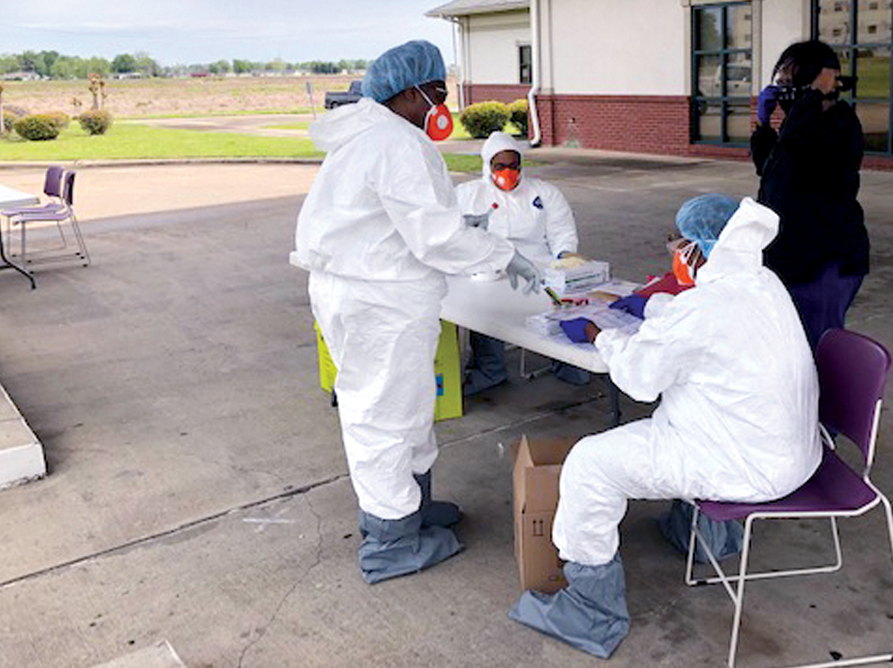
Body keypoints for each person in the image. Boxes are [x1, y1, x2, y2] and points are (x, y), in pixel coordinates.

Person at [509, 194, 822, 659]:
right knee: (669, 418)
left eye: (680, 243)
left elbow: (640, 378)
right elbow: (696, 324)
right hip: (788, 452)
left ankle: (591, 612)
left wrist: (600, 334)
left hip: (740, 463)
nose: (675, 251)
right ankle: (703, 535)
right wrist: (652, 306)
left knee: (590, 464)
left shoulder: (706, 309)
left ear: (700, 250)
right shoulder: (762, 282)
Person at [292, 40, 543, 584]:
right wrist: (502, 253)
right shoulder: (395, 142)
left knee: (404, 407)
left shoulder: (370, 136)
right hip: (377, 299)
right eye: (436, 91)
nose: (441, 103)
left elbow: (398, 219)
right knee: (384, 417)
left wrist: (461, 230)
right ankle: (391, 540)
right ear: (408, 93)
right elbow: (435, 237)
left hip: (366, 291)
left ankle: (411, 506)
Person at [752, 39, 869, 352]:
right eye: (780, 82)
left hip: (824, 259)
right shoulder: (799, 124)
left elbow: (798, 146)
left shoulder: (840, 123)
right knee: (789, 345)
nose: (783, 91)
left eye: (791, 82)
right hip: (792, 255)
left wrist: (813, 95)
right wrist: (763, 126)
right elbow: (768, 167)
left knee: (814, 348)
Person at [455, 131, 591, 393]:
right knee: (484, 307)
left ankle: (567, 361)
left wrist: (564, 257)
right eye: (500, 166)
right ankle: (491, 369)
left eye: (513, 166)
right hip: (489, 269)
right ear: (487, 165)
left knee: (561, 301)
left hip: (537, 266)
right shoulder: (468, 195)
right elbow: (454, 235)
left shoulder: (544, 193)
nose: (508, 172)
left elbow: (562, 231)